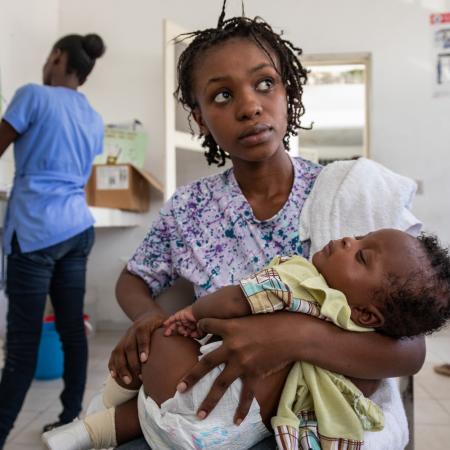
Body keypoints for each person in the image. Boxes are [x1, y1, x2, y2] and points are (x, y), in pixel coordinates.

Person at [106, 5, 425, 450]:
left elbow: (411, 352)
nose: (249, 106)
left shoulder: (345, 194)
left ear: (287, 91)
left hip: (310, 413)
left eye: (264, 84)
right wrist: (146, 316)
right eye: (221, 95)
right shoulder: (189, 208)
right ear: (199, 117)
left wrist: (293, 336)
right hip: (215, 410)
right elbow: (133, 278)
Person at [42, 228, 450, 450]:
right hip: (232, 435)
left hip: (194, 395)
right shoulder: (362, 366)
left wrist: (192, 315)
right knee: (155, 396)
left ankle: (100, 410)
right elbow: (133, 278)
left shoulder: (303, 281)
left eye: (361, 255)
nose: (348, 240)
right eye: (360, 236)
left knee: (164, 339)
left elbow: (239, 297)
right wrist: (146, 314)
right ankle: (90, 430)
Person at [0, 33, 105, 448]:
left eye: (49, 56)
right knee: (71, 330)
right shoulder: (92, 116)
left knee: (23, 345)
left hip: (36, 228)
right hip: (77, 227)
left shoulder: (33, 95)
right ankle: (68, 421)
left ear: (58, 57)